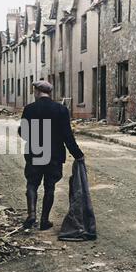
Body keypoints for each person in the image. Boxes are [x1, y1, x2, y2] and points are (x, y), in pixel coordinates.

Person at [19, 80, 85, 231]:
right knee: (50, 187)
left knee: (32, 184)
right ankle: (44, 220)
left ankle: (31, 214)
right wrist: (78, 154)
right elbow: (68, 136)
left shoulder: (29, 109)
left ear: (37, 92)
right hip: (54, 155)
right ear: (50, 93)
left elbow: (24, 133)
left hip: (34, 152)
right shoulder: (61, 110)